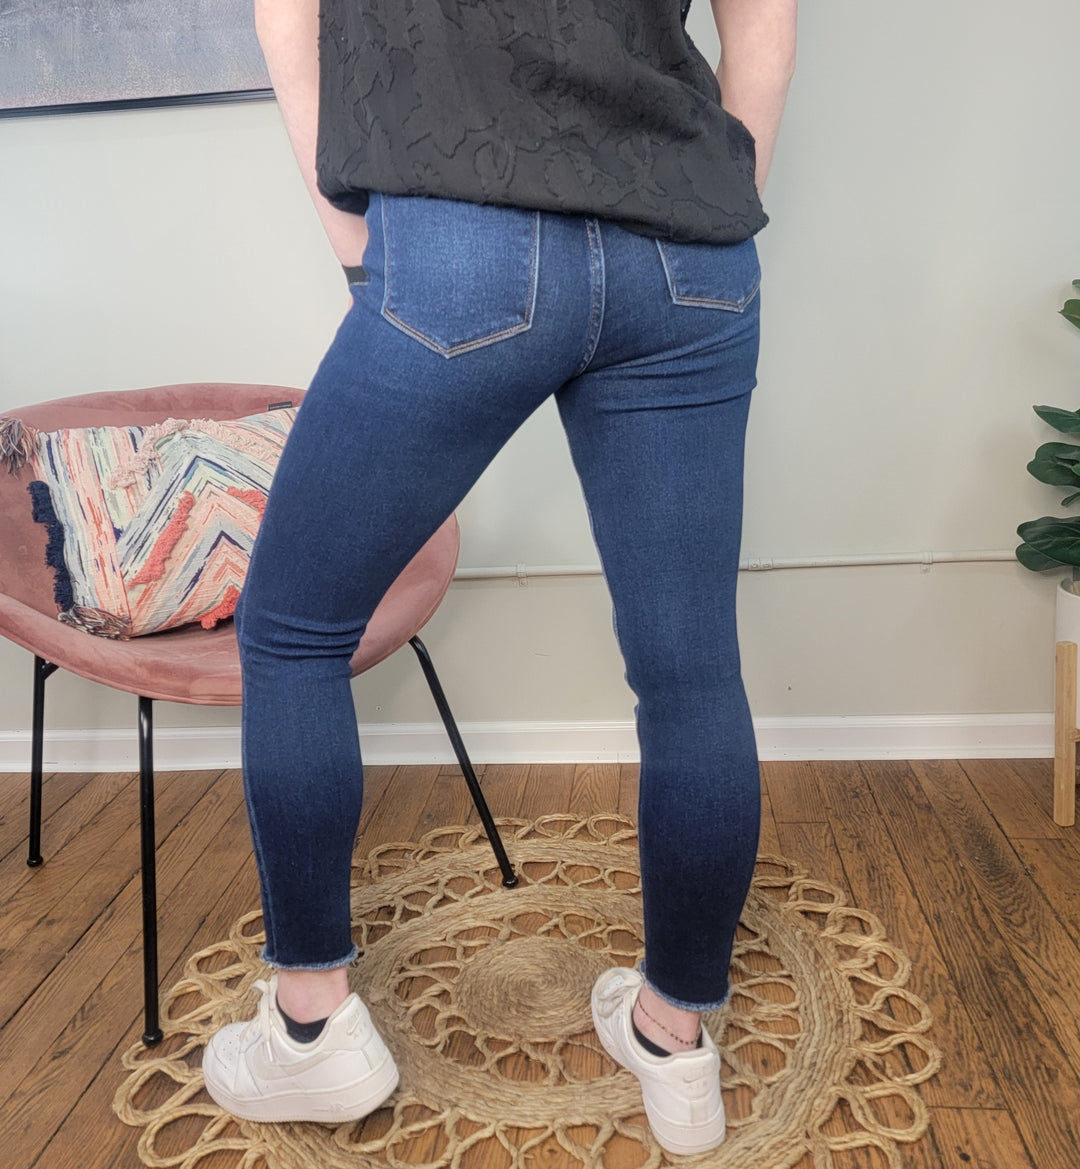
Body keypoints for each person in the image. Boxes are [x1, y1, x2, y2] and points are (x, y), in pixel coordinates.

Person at [201, 0, 797, 1156]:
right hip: (690, 255)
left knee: (290, 629)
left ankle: (313, 1031)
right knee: (690, 672)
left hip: (464, 243)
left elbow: (287, 13)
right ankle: (676, 1045)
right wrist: (714, 209)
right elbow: (762, 26)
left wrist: (358, 240)